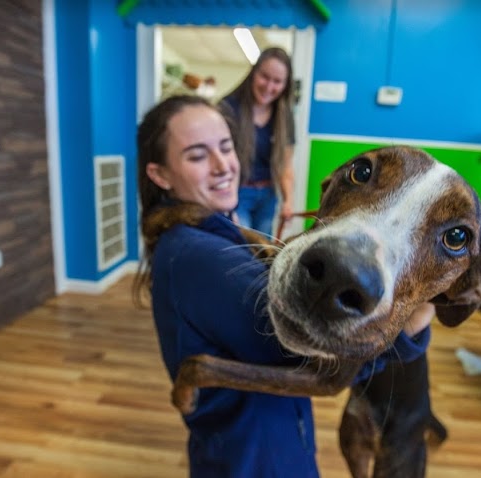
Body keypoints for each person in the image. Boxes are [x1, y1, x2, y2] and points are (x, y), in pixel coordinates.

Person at [132, 94, 432, 477]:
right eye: (196, 155)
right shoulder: (196, 254)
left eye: (226, 147)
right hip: (259, 460)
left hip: (244, 444)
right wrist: (409, 328)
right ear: (160, 175)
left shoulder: (197, 234)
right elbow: (307, 359)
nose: (223, 166)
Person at [219, 47, 295, 237]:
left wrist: (288, 201)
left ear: (285, 85)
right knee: (241, 247)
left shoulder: (284, 116)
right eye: (265, 77)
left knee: (263, 251)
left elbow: (285, 166)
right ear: (254, 73)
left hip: (268, 195)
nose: (269, 87)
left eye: (277, 81)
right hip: (236, 194)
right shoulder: (227, 109)